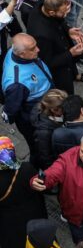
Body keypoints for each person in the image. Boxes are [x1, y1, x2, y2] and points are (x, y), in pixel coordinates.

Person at [26, 0, 83, 95]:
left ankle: (76, 75)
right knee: (66, 90)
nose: (66, 15)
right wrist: (70, 53)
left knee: (71, 64)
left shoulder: (43, 4)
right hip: (59, 69)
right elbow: (48, 62)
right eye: (63, 13)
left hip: (62, 44)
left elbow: (58, 21)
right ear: (52, 12)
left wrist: (68, 30)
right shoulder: (41, 35)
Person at [2, 33, 53, 164]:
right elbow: (12, 108)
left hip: (45, 99)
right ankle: (40, 167)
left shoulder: (16, 52)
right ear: (22, 54)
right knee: (38, 146)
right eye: (33, 48)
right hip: (35, 112)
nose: (38, 50)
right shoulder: (17, 83)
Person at [0, 137, 47, 248]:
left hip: (8, 219)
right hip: (33, 212)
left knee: (15, 244)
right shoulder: (26, 169)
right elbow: (40, 188)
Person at [31, 89, 67, 170]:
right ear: (54, 110)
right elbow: (46, 157)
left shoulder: (50, 111)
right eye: (64, 107)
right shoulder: (44, 133)